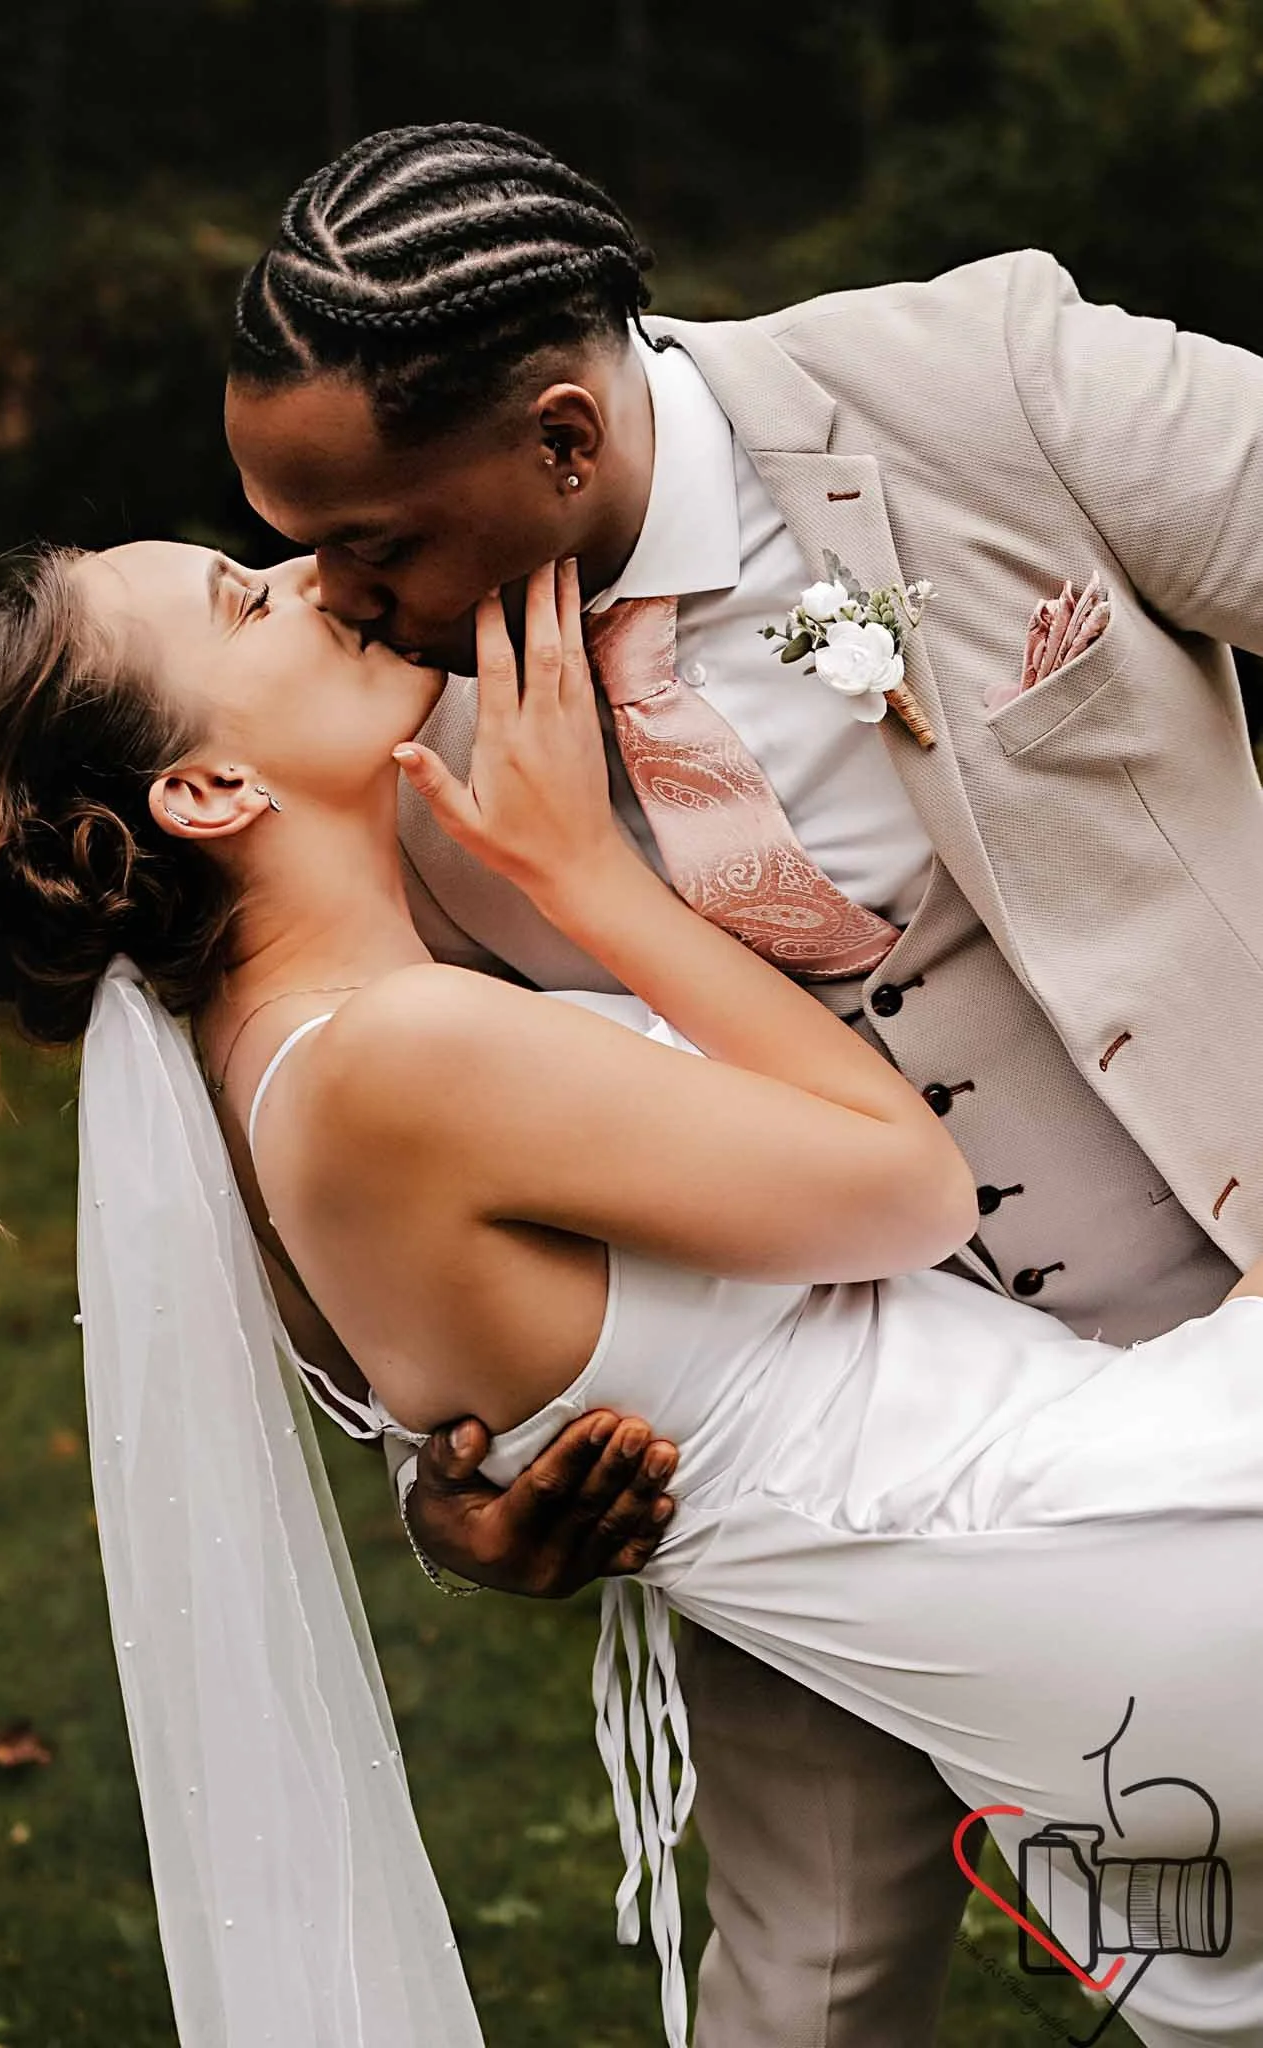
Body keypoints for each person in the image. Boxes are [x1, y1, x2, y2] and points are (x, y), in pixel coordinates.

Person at [0, 542, 1263, 2048]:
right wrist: (587, 875)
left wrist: (441, 1510)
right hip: (1129, 1539)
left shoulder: (267, 1096)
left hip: (1074, 1689)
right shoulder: (389, 1055)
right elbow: (912, 1190)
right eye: (243, 599)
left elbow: (443, 1429)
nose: (311, 576)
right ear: (212, 796)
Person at [220, 121, 1263, 2048]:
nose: (336, 602)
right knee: (812, 1981)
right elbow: (409, 1157)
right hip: (843, 1453)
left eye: (370, 542)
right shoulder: (382, 736)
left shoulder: (988, 386)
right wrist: (454, 1486)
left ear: (558, 437)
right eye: (295, 551)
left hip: (1234, 1316)